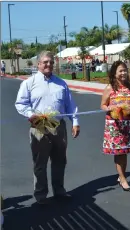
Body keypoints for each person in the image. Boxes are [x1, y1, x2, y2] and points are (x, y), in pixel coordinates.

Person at [15, 51, 80, 205]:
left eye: (51, 62)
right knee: (40, 163)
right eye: (45, 62)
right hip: (39, 127)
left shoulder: (61, 83)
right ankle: (41, 195)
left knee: (60, 160)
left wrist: (75, 122)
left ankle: (59, 190)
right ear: (38, 64)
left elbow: (70, 105)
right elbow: (21, 103)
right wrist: (31, 114)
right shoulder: (29, 83)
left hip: (58, 127)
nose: (49, 65)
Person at [100, 61, 130, 192]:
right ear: (114, 73)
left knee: (125, 153)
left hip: (127, 124)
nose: (123, 73)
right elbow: (102, 105)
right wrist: (109, 107)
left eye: (124, 70)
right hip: (115, 125)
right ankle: (123, 178)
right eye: (120, 71)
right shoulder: (110, 88)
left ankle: (121, 175)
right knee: (118, 152)